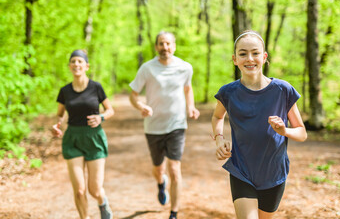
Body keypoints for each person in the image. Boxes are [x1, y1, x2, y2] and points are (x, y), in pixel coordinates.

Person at [211, 30, 307, 219]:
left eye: (255, 53)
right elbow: (217, 117)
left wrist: (283, 130)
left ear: (264, 57)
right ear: (235, 59)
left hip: (274, 172)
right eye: (243, 53)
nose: (249, 58)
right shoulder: (228, 93)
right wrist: (219, 140)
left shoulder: (283, 90)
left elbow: (302, 133)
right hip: (242, 171)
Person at [129, 31, 200, 219]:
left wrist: (191, 107)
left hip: (177, 124)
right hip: (153, 126)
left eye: (168, 43)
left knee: (175, 169)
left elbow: (188, 88)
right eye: (161, 44)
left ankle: (174, 213)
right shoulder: (147, 68)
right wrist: (140, 106)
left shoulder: (185, 67)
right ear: (156, 47)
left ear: (174, 46)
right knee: (158, 168)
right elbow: (133, 94)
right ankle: (161, 183)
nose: (165, 47)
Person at [51, 49, 114, 219]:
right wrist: (57, 125)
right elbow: (60, 114)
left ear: (86, 66)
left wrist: (101, 117)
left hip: (94, 139)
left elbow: (110, 110)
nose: (76, 64)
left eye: (80, 61)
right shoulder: (65, 91)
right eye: (73, 61)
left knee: (94, 189)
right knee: (79, 190)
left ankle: (102, 202)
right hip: (73, 139)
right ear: (70, 66)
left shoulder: (96, 87)